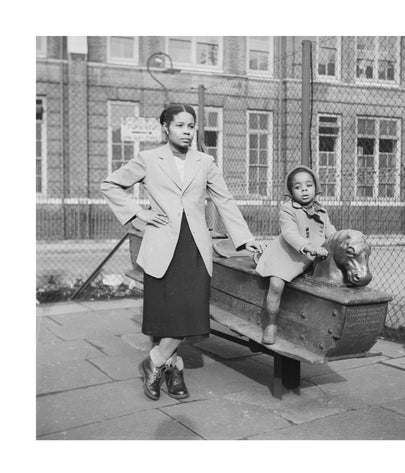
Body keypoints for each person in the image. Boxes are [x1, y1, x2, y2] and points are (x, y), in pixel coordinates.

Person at [101, 103, 263, 401]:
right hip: (162, 244)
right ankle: (174, 369)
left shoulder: (205, 161)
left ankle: (154, 361)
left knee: (191, 311)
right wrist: (139, 214)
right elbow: (110, 185)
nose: (187, 131)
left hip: (195, 247)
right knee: (167, 314)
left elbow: (224, 199)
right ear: (166, 128)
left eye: (191, 126)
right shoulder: (148, 159)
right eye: (180, 125)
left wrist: (244, 239)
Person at [255, 165, 336, 344]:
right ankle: (271, 323)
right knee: (276, 285)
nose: (304, 190)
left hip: (310, 258)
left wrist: (342, 240)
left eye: (308, 185)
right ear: (291, 191)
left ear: (316, 188)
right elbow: (290, 234)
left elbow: (331, 233)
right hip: (286, 255)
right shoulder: (287, 209)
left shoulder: (322, 212)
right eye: (298, 187)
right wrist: (308, 248)